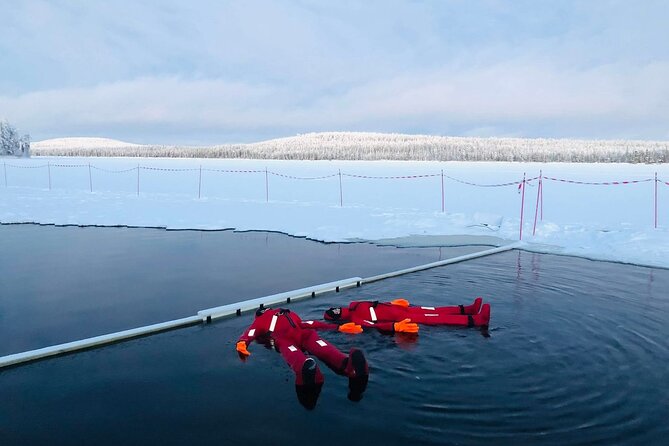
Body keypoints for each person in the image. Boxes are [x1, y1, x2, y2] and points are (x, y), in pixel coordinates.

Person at [236, 306, 374, 410]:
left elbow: (251, 332)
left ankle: (307, 370)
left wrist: (243, 342)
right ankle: (348, 365)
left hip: (284, 338)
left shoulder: (260, 320)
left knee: (294, 354)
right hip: (305, 333)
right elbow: (310, 323)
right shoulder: (288, 312)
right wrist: (336, 328)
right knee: (325, 349)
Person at [323, 297, 491, 328]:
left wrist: (393, 303)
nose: (335, 310)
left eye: (333, 308)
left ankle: (467, 309)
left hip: (401, 309)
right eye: (334, 313)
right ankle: (477, 320)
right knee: (436, 317)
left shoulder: (354, 304)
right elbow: (374, 327)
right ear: (337, 318)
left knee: (434, 309)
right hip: (403, 317)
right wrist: (396, 327)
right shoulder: (356, 319)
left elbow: (376, 304)